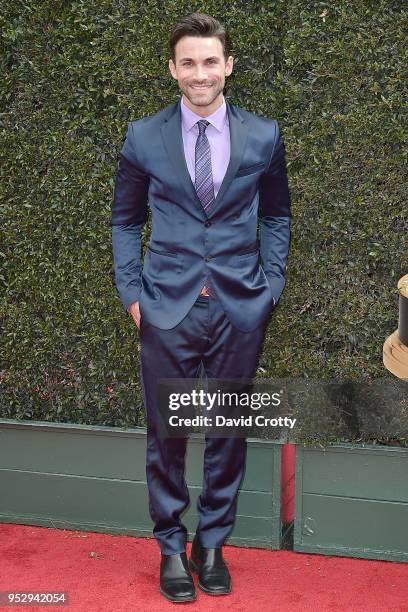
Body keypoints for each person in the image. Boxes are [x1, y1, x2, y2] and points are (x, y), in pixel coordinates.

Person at [111, 12, 291, 603]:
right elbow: (124, 221)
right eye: (188, 62)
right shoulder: (143, 136)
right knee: (167, 435)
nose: (199, 73)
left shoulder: (263, 135)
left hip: (240, 307)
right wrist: (133, 294)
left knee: (228, 432)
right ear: (173, 69)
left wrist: (270, 287)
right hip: (166, 309)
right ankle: (170, 549)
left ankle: (211, 545)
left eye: (210, 61)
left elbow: (277, 216)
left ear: (228, 66)